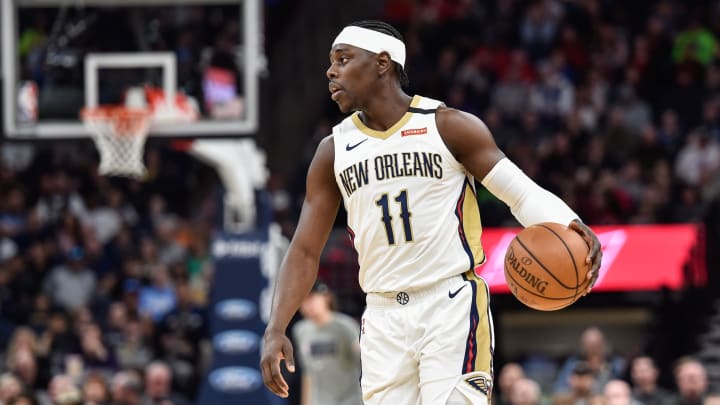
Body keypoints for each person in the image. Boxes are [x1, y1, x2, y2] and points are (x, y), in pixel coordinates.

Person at [260, 20, 602, 405]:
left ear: (382, 63)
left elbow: (520, 195)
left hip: (450, 301)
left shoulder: (448, 126)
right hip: (382, 314)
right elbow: (305, 250)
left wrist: (569, 223)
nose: (331, 70)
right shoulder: (332, 151)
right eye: (330, 61)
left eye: (343, 59)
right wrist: (277, 326)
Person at [291, 281, 362, 405]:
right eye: (303, 300)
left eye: (312, 298)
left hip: (350, 400)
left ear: (326, 297)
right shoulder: (300, 330)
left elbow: (363, 365)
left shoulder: (346, 326)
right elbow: (307, 373)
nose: (308, 304)